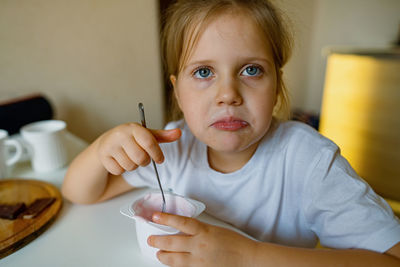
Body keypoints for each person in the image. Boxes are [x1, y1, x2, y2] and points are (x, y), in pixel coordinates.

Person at [62, 0, 400, 266]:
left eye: (251, 70)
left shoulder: (310, 162)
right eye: (204, 71)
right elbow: (80, 192)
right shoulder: (174, 145)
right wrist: (100, 149)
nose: (228, 93)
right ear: (177, 92)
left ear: (277, 86)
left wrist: (248, 258)